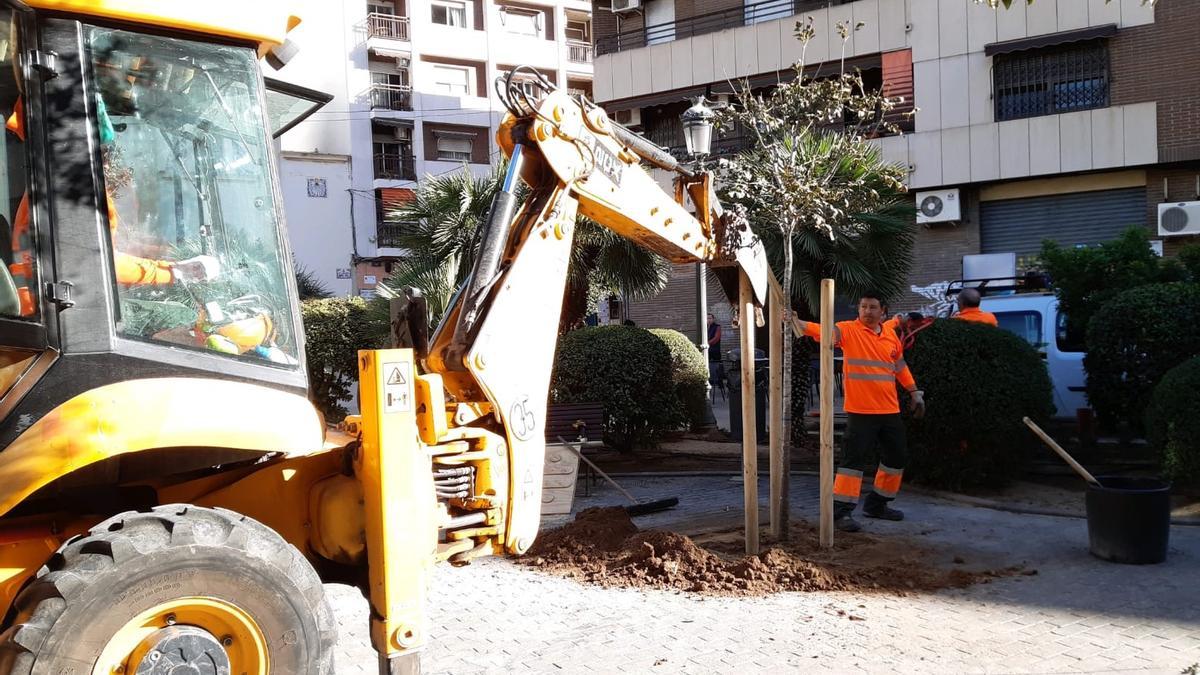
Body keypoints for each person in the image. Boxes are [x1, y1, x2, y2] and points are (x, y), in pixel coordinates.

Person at [794, 291, 925, 532]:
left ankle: (877, 504)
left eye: (872, 307)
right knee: (852, 464)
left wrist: (914, 391)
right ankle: (841, 513)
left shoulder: (889, 335)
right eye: (863, 306)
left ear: (882, 311)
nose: (866, 311)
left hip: (889, 410)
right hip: (860, 411)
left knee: (896, 458)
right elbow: (822, 330)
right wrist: (797, 323)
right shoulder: (849, 330)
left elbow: (899, 366)